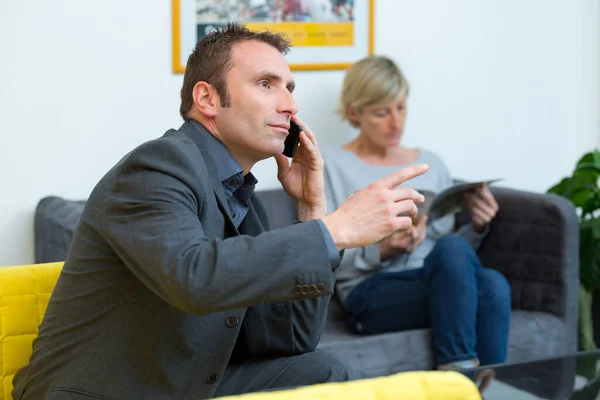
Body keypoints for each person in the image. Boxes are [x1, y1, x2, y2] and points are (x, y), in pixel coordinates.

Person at [11, 25, 429, 400]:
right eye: (267, 84)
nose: (289, 105)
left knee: (326, 371)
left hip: (186, 386)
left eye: (290, 88)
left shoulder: (241, 199)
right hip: (106, 392)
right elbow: (192, 275)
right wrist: (337, 229)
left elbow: (293, 341)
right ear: (207, 98)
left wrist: (312, 212)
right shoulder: (157, 166)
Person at [323, 56, 511, 373]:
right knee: (486, 283)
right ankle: (459, 380)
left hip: (436, 280)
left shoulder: (431, 164)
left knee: (492, 282)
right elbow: (323, 249)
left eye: (401, 108)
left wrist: (477, 227)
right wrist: (382, 249)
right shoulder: (331, 166)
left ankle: (483, 386)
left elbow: (451, 259)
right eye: (382, 112)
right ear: (356, 112)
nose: (395, 122)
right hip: (370, 292)